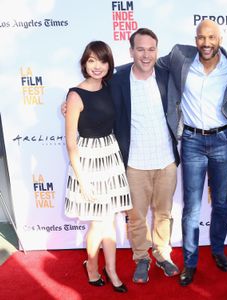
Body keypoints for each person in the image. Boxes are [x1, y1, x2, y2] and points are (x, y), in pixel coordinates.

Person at [157, 20, 227, 286]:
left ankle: (217, 250)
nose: (206, 43)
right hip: (191, 140)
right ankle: (190, 262)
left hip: (223, 139)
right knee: (191, 207)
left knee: (221, 202)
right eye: (202, 38)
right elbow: (148, 66)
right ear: (195, 39)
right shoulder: (180, 56)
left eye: (211, 37)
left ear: (220, 39)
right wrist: (102, 82)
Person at [109, 28, 180, 284]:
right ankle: (141, 257)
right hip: (134, 163)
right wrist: (71, 103)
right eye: (140, 49)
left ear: (156, 51)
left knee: (163, 213)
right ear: (131, 51)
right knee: (137, 216)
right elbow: (95, 99)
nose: (146, 55)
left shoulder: (167, 76)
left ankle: (162, 253)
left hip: (166, 161)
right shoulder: (117, 79)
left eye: (151, 49)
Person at [64, 41, 131, 293]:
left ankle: (110, 269)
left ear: (108, 64)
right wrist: (82, 180)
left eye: (102, 61)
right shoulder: (75, 95)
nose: (97, 66)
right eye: (91, 60)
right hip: (88, 162)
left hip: (110, 157)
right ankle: (94, 268)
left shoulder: (109, 87)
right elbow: (71, 143)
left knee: (109, 220)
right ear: (84, 63)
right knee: (99, 222)